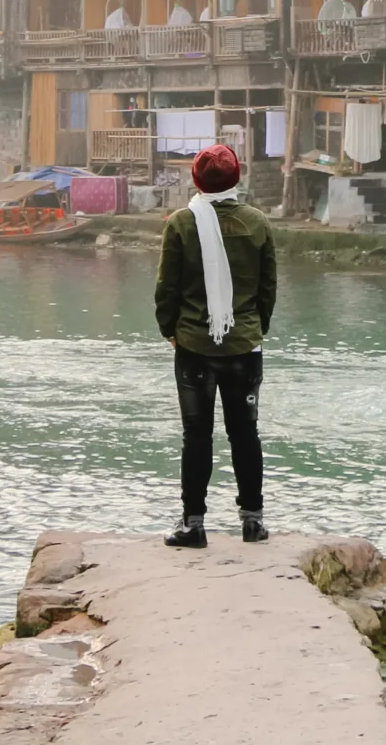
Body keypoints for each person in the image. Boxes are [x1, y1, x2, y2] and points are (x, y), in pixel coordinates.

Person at [153, 142, 276, 548]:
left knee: (197, 437)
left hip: (193, 346)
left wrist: (169, 330)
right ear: (236, 177)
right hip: (245, 346)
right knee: (246, 435)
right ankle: (253, 522)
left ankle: (193, 525)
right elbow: (267, 288)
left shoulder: (182, 223)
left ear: (196, 179)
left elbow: (166, 289)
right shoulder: (258, 223)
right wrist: (256, 328)